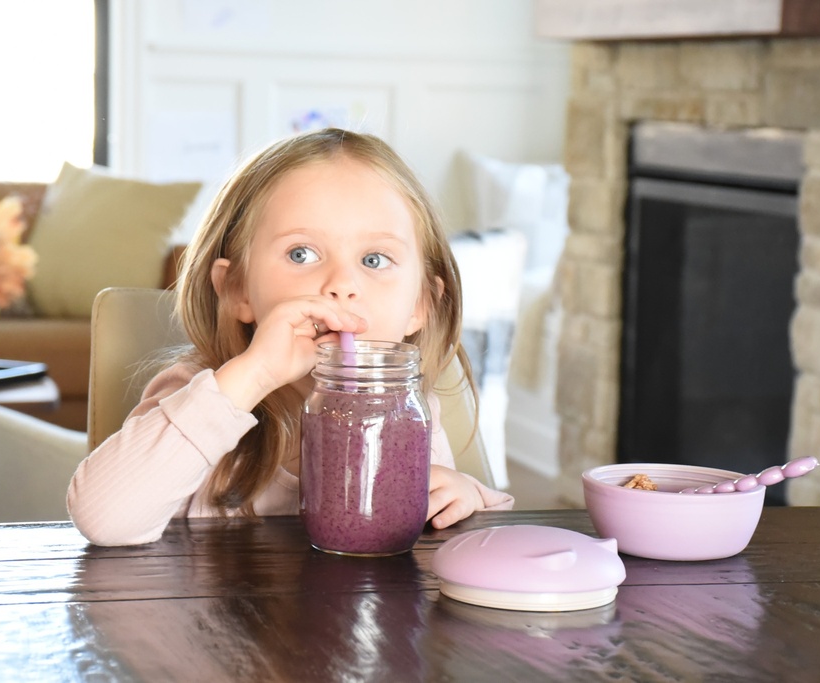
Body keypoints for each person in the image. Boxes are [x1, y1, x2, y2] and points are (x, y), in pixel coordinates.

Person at [67, 128, 514, 546]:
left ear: (421, 304)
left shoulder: (406, 412)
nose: (341, 284)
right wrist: (254, 375)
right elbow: (104, 520)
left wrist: (466, 495)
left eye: (375, 260)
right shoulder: (198, 394)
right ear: (237, 289)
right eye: (302, 254)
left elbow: (463, 547)